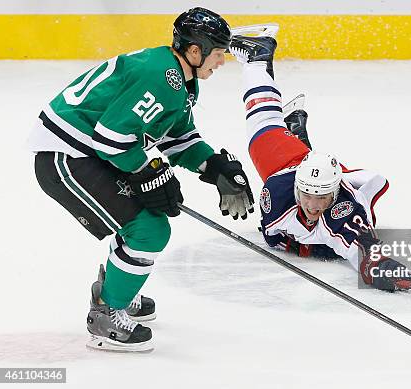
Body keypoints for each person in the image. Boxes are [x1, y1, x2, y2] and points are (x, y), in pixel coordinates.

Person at [28, 8, 254, 352]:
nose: (222, 62)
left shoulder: (178, 77)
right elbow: (110, 138)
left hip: (90, 151)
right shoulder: (161, 76)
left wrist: (213, 166)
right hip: (67, 157)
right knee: (149, 228)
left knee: (144, 225)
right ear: (195, 51)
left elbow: (174, 136)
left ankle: (118, 289)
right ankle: (106, 313)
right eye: (219, 53)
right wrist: (149, 172)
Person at [228, 33, 411, 292]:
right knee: (263, 122)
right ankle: (257, 58)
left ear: (335, 194)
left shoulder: (345, 209)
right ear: (297, 189)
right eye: (307, 195)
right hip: (290, 163)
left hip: (323, 175)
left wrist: (378, 266)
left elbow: (365, 248)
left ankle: (295, 131)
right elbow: (273, 238)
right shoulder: (278, 190)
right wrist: (313, 247)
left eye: (322, 197)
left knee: (262, 132)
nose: (313, 206)